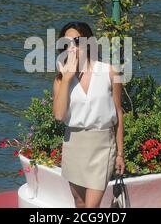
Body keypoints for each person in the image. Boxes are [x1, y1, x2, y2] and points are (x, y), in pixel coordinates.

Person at [52, 21, 125, 208]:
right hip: (74, 143)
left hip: (102, 145)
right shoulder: (61, 79)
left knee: (91, 207)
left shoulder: (109, 72)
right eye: (66, 43)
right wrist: (67, 78)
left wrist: (120, 154)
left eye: (77, 40)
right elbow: (59, 116)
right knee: (80, 202)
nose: (72, 47)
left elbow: (118, 112)